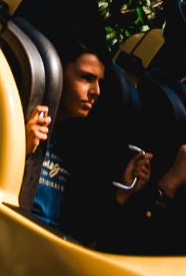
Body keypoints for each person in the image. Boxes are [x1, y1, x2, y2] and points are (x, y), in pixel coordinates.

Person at [21, 27, 153, 241]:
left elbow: (83, 231)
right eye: (86, 78)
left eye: (99, 81)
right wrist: (21, 146)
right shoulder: (24, 119)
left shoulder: (78, 148)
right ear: (58, 70)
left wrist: (124, 192)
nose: (96, 91)